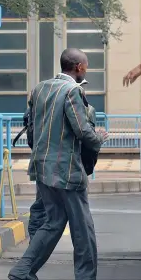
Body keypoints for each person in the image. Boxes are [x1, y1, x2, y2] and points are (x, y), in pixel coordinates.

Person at [8, 48, 108, 280]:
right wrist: (99, 138)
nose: (86, 70)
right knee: (83, 230)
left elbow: (32, 128)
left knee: (53, 223)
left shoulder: (39, 88)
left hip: (42, 169)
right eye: (86, 66)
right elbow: (82, 131)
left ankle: (22, 271)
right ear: (79, 68)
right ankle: (86, 277)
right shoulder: (73, 90)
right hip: (67, 171)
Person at [24, 80, 100, 244]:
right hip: (69, 168)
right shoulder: (86, 108)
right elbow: (87, 141)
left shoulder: (40, 96)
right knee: (78, 220)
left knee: (42, 209)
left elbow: (31, 132)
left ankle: (33, 247)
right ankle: (32, 256)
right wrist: (88, 166)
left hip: (43, 165)